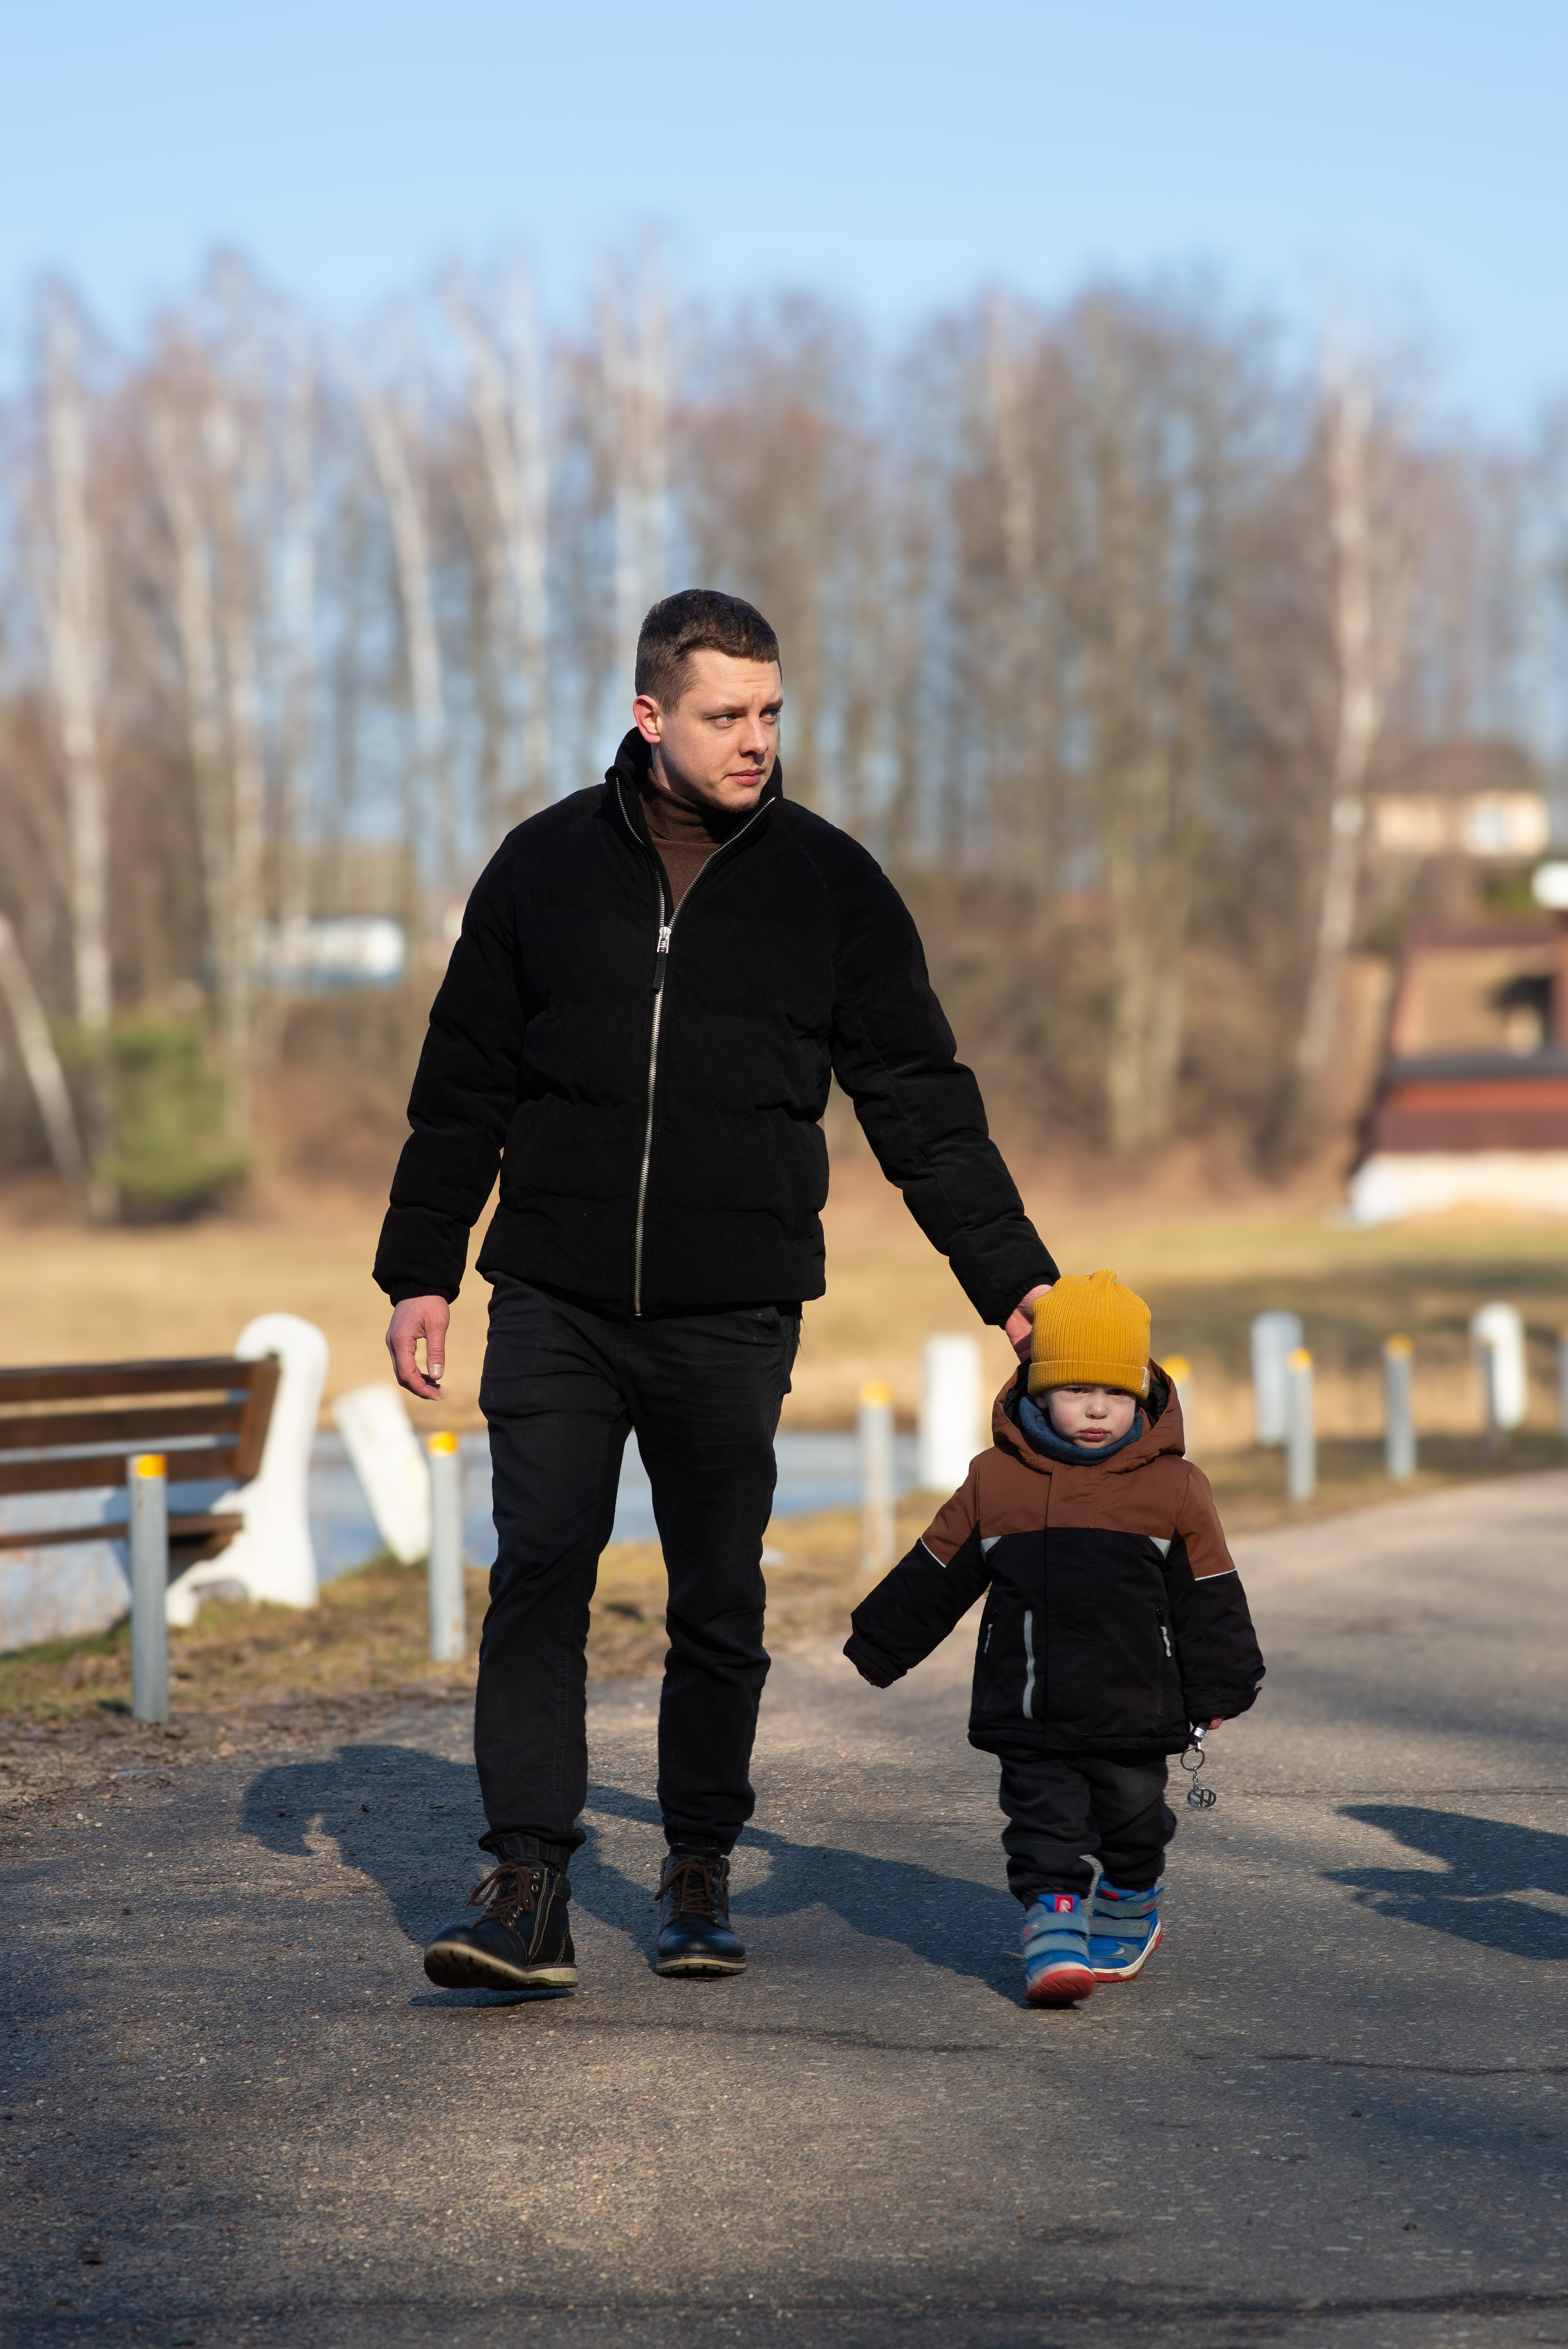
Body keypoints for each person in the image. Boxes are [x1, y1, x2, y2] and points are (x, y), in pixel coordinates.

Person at [375, 587, 1058, 1993]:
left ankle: (696, 1863)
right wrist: (418, 1269)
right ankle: (525, 1882)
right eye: (724, 714)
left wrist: (1011, 1278)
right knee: (541, 1568)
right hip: (555, 1293)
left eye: (770, 713)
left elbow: (919, 1099)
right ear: (649, 717)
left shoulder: (828, 884)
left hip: (731, 1307)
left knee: (713, 1594)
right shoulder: (541, 869)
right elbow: (461, 1086)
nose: (755, 739)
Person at [843, 1269, 1264, 2006]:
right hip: (1028, 1702)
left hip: (1135, 1709)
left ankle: (1132, 1898)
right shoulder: (995, 1481)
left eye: (1114, 1394)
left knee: (1133, 1821)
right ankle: (1054, 1927)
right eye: (1075, 1392)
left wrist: (1222, 1681)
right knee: (1040, 1824)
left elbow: (1207, 1591)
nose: (1096, 1410)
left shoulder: (1175, 1487)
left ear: (1141, 1396)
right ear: (1038, 1391)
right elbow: (938, 1568)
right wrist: (881, 1643)